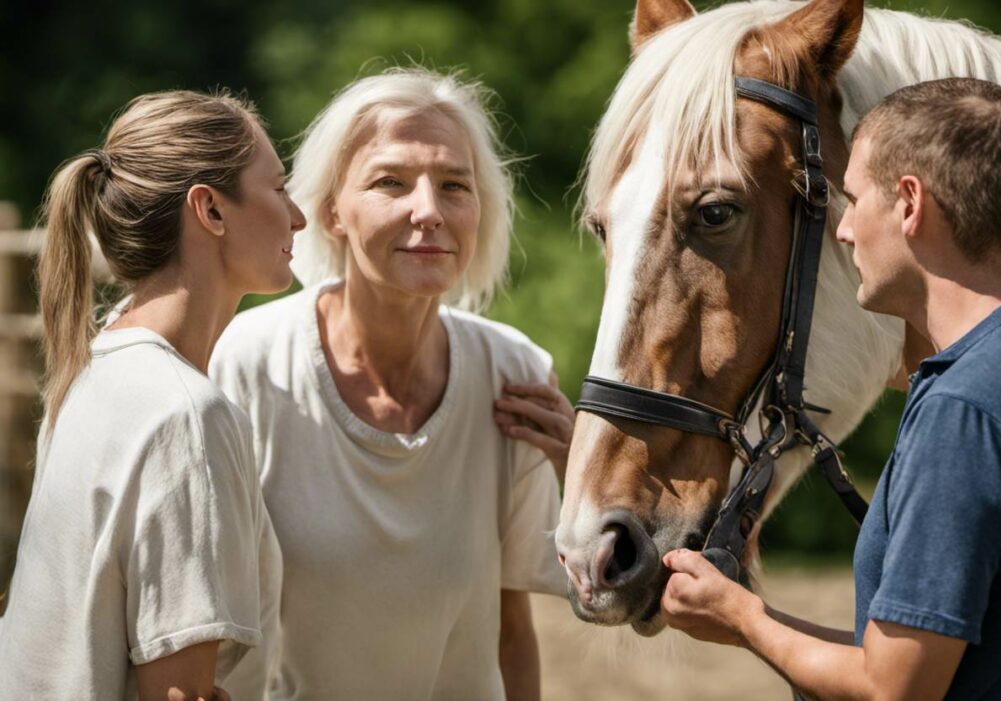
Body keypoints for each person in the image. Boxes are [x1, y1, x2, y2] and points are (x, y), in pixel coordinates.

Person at [209, 67, 573, 701]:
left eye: (454, 185)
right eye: (390, 182)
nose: (429, 211)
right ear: (330, 214)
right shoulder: (248, 362)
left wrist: (583, 464)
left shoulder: (514, 377)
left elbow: (512, 632)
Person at [658, 77, 1001, 699]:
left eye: (852, 199)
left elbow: (895, 689)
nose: (845, 229)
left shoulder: (965, 406)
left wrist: (743, 620)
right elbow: (921, 661)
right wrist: (750, 617)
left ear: (910, 204)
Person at [0, 90, 305, 700]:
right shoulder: (184, 414)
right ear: (211, 211)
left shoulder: (94, 373)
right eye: (278, 187)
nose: (297, 216)